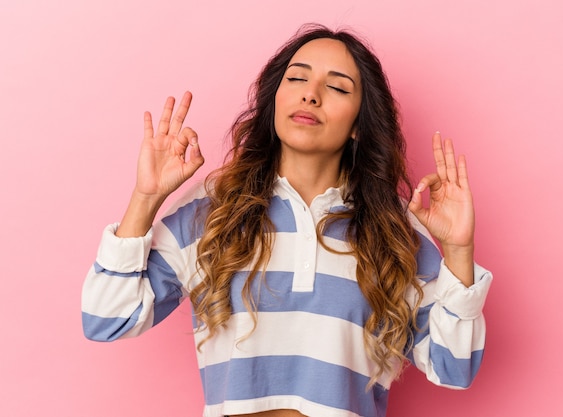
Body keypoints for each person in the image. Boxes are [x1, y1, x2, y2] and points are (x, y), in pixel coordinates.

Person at [82, 24, 492, 417]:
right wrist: (146, 198)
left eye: (336, 87)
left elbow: (454, 369)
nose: (310, 95)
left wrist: (458, 251)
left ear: (358, 125)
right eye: (296, 79)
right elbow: (106, 319)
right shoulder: (214, 208)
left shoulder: (393, 228)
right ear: (274, 99)